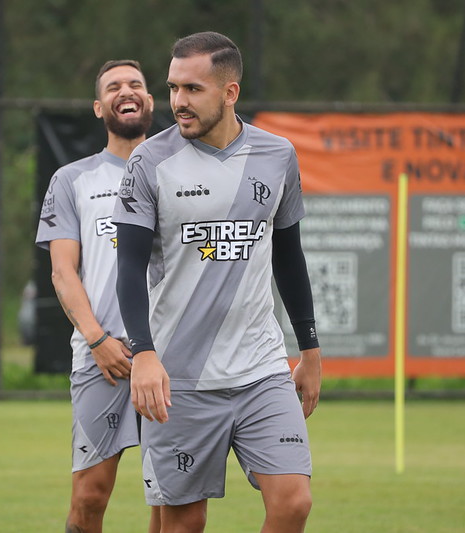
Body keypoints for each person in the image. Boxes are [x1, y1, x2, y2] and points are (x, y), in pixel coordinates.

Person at [113, 32, 322, 533]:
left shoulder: (278, 156)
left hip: (261, 369)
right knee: (184, 524)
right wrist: (143, 354)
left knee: (293, 503)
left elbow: (289, 258)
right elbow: (129, 270)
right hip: (178, 379)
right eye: (173, 88)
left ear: (230, 93)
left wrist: (310, 351)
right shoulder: (149, 163)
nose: (178, 103)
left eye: (193, 90)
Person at [35, 59, 160, 533]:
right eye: (113, 87)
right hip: (102, 356)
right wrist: (96, 338)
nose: (125, 92)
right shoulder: (72, 180)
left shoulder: (182, 172)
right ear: (98, 106)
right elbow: (63, 272)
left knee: (171, 498)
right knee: (89, 497)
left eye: (135, 85)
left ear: (150, 100)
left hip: (172, 358)